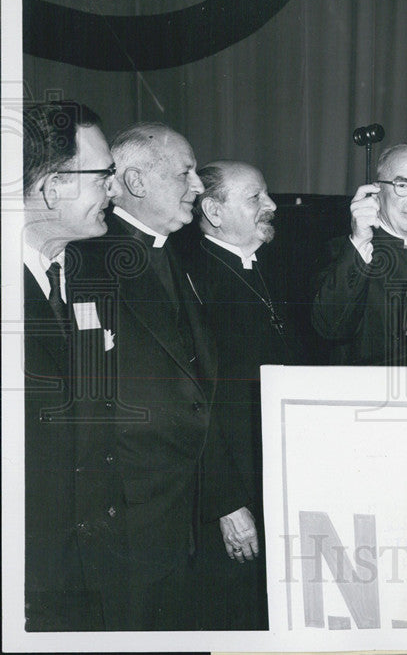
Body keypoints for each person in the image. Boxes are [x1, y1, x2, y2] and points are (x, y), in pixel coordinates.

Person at [71, 122, 255, 629]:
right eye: (185, 173)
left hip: (180, 515)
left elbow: (197, 393)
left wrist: (221, 498)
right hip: (128, 521)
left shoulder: (175, 254)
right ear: (135, 182)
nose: (197, 186)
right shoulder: (85, 263)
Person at [21, 101, 126, 630]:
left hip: (92, 568)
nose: (116, 188)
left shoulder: (88, 273)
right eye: (104, 175)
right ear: (51, 184)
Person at [184, 161, 298, 629]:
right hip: (233, 494)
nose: (271, 206)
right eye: (255, 198)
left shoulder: (273, 268)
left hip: (281, 483)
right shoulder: (190, 281)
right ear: (212, 210)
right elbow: (194, 408)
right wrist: (226, 503)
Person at [312, 143, 407, 364]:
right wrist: (360, 240)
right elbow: (331, 328)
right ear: (377, 191)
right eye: (403, 185)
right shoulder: (345, 251)